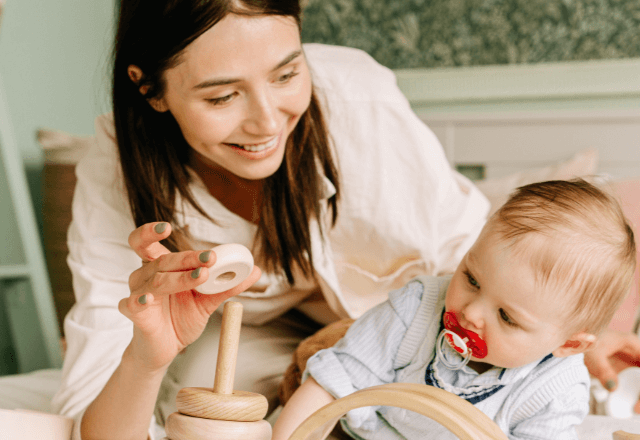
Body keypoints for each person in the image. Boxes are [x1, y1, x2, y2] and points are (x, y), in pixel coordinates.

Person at [0, 0, 627, 439]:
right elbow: (95, 417)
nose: (268, 122)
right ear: (151, 89)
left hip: (394, 326)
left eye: (287, 73)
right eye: (222, 96)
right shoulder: (118, 168)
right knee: (206, 404)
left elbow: (487, 265)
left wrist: (549, 339)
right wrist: (144, 354)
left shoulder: (358, 101)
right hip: (262, 340)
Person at [272, 179, 637, 440]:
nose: (471, 313)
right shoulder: (416, 309)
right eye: (472, 279)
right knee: (324, 358)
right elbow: (331, 384)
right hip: (364, 431)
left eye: (507, 317)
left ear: (569, 345)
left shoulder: (556, 387)